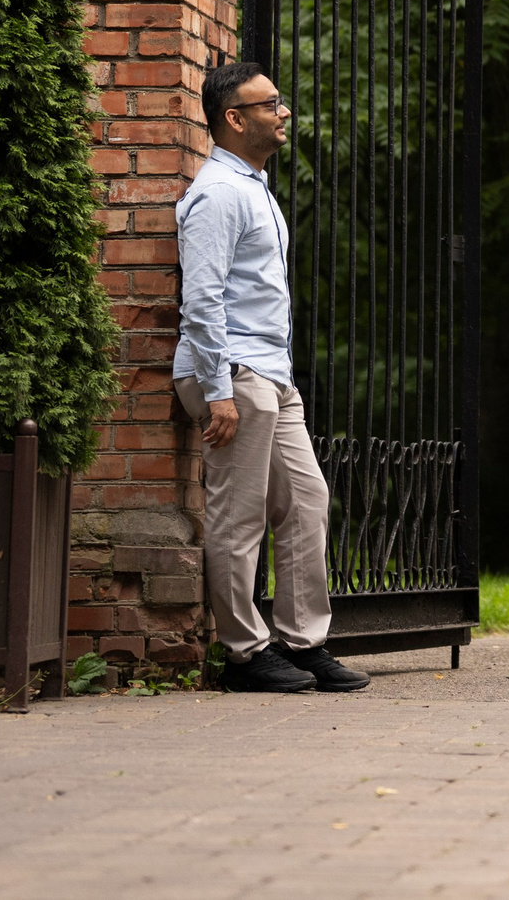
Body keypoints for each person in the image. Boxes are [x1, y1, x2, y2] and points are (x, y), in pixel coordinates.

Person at [173, 60, 367, 694]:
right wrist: (219, 389)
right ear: (235, 119)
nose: (284, 113)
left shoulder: (253, 186)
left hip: (271, 375)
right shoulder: (217, 193)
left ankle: (303, 641)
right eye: (270, 104)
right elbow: (202, 299)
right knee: (239, 514)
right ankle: (243, 652)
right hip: (235, 372)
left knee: (306, 502)